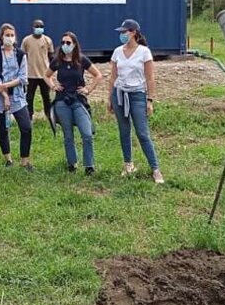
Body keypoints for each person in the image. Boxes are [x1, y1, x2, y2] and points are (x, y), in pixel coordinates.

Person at [107, 19, 164, 184]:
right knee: (124, 131)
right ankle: (128, 164)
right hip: (119, 94)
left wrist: (150, 100)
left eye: (124, 32)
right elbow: (112, 77)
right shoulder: (117, 52)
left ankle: (155, 169)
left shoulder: (144, 52)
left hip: (137, 94)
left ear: (133, 32)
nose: (121, 35)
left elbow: (150, 78)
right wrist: (109, 98)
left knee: (142, 132)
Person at [45, 32, 103, 174]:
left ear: (75, 44)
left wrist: (88, 89)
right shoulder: (57, 61)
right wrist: (53, 86)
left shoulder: (81, 60)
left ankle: (89, 166)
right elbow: (46, 75)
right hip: (62, 101)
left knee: (87, 133)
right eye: (63, 42)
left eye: (68, 43)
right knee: (68, 135)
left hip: (78, 100)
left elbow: (98, 75)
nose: (65, 45)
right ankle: (72, 163)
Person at [0, 23, 34, 170]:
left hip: (18, 96)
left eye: (12, 35)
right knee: (3, 129)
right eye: (7, 35)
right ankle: (8, 159)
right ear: (1, 37)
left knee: (26, 127)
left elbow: (22, 77)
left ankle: (25, 161)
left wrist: (6, 86)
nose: (9, 38)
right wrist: (4, 96)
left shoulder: (21, 55)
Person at [21, 19, 54, 120]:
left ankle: (49, 115)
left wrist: (51, 72)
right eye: (37, 26)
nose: (39, 28)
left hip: (45, 75)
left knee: (46, 97)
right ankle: (29, 116)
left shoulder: (47, 40)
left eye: (41, 26)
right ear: (33, 27)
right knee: (29, 97)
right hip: (31, 74)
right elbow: (23, 56)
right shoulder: (26, 40)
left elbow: (51, 56)